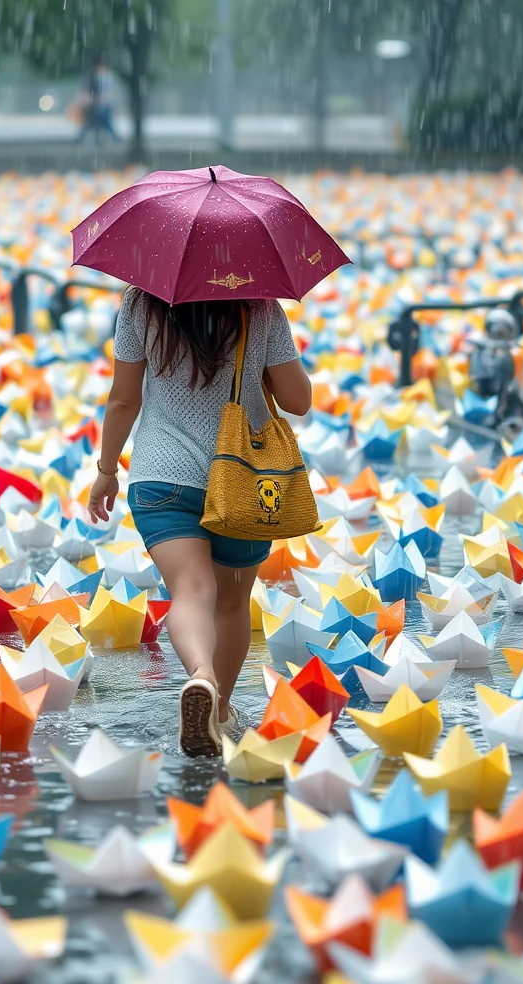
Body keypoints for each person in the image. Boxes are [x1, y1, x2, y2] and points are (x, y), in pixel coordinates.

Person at [87, 289, 313, 757]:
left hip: (160, 475)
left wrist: (106, 471)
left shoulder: (139, 304)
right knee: (230, 604)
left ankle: (200, 676)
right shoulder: (262, 308)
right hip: (241, 479)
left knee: (191, 591)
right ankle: (221, 709)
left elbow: (123, 400)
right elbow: (298, 400)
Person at [74, 56, 120, 145]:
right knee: (100, 122)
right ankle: (110, 139)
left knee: (95, 122)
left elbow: (105, 91)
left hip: (100, 104)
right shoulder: (103, 76)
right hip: (100, 104)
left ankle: (86, 139)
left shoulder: (100, 76)